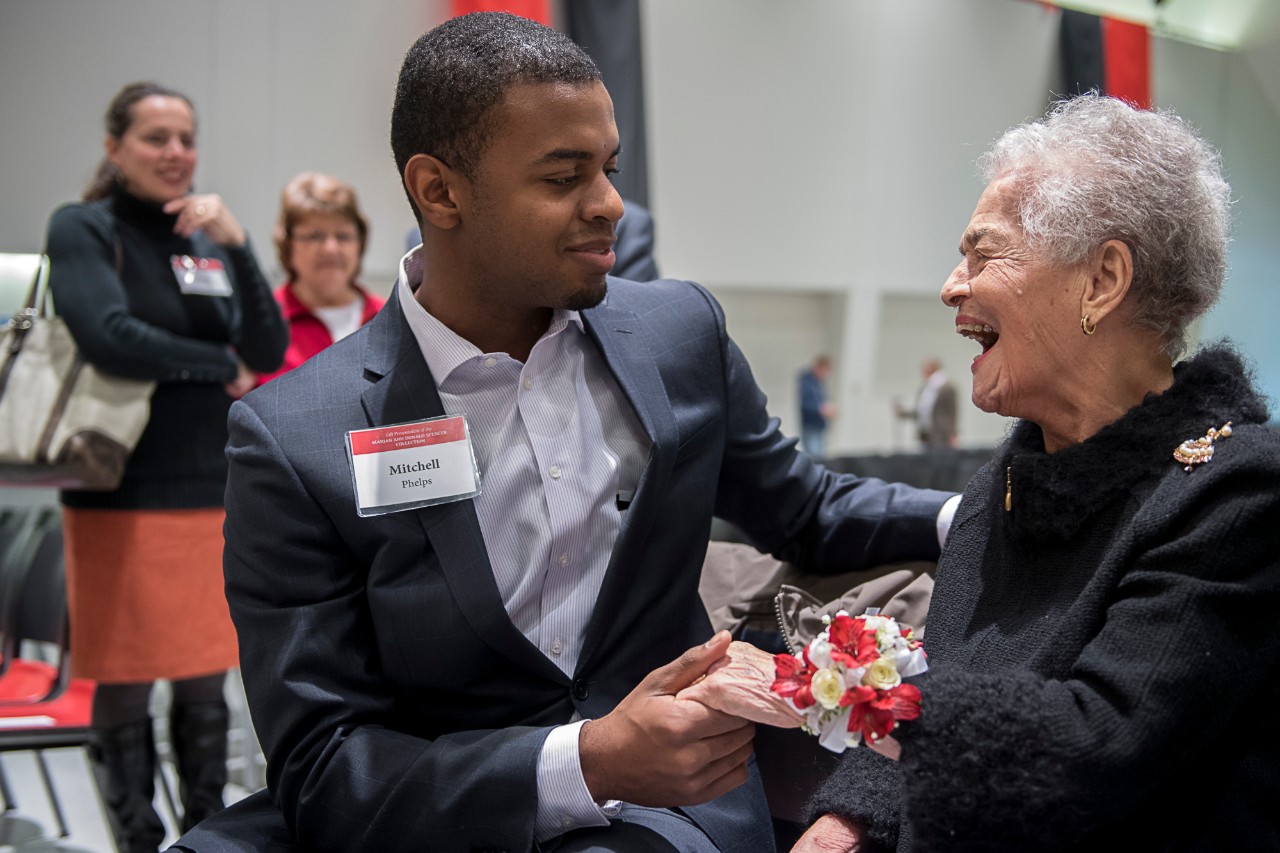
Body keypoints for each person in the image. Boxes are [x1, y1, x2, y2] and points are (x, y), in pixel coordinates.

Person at [170, 13, 955, 853]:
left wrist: (974, 514)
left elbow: (806, 508)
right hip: (425, 792)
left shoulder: (676, 335)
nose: (611, 204)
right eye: (563, 176)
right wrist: (583, 759)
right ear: (440, 191)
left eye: (610, 169)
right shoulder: (294, 435)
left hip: (659, 804)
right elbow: (323, 760)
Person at [686, 95, 1280, 852]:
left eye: (982, 253)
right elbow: (945, 702)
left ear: (1102, 280)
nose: (950, 286)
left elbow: (1097, 747)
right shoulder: (1007, 480)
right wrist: (844, 826)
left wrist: (824, 685)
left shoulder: (1238, 492)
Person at [43, 81, 288, 852]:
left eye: (186, 138)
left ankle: (204, 833)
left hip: (210, 488)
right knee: (124, 675)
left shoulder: (203, 239)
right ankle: (137, 839)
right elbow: (106, 331)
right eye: (155, 138)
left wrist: (241, 246)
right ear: (114, 147)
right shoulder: (84, 226)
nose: (176, 153)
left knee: (202, 673)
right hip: (122, 488)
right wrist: (211, 361)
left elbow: (268, 351)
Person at [256, 172, 385, 385]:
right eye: (315, 236)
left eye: (343, 236)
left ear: (360, 243)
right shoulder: (262, 322)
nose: (330, 248)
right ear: (287, 245)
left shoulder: (388, 318)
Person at [893, 358, 957, 449]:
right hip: (926, 435)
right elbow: (922, 411)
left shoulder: (947, 387)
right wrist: (904, 413)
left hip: (941, 435)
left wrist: (953, 434)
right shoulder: (926, 388)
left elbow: (952, 411)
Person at [797, 355, 835, 457]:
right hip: (811, 425)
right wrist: (822, 410)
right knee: (815, 458)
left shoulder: (818, 383)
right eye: (824, 370)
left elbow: (821, 401)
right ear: (818, 367)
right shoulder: (807, 381)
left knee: (821, 457)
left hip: (819, 425)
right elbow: (806, 403)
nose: (825, 374)